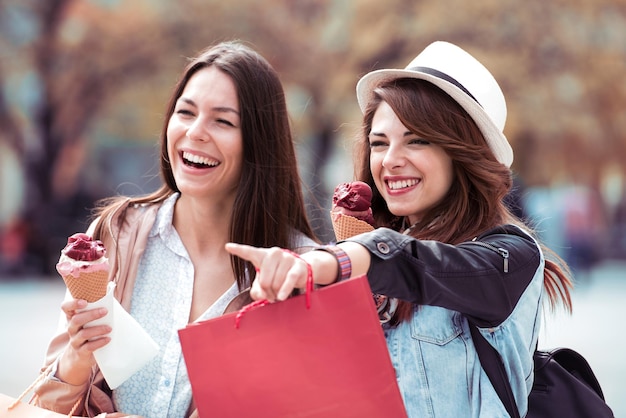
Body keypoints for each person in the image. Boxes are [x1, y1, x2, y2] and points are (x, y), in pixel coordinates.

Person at [226, 41, 573, 417]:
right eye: (379, 143)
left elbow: (422, 265)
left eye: (417, 141)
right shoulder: (362, 256)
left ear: (464, 153)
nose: (390, 160)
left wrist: (334, 261)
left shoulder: (510, 256)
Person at [34, 40, 318, 417]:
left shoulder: (299, 270)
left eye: (223, 120)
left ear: (259, 143)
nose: (195, 132)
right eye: (186, 112)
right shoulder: (114, 234)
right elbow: (42, 407)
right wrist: (75, 359)